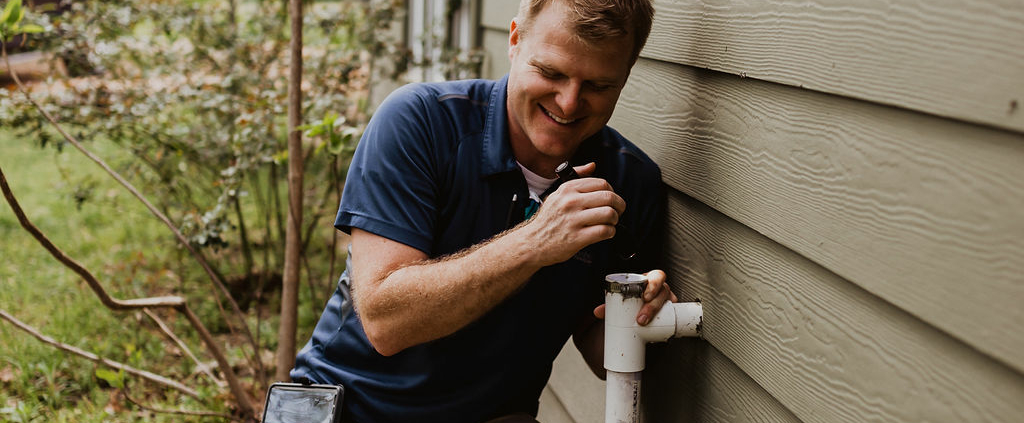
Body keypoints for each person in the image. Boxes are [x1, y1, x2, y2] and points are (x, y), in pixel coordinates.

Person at [290, 0, 677, 421]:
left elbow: (602, 352)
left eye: (599, 86)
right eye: (551, 73)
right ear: (514, 40)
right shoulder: (419, 122)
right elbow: (387, 322)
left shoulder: (630, 181)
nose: (568, 103)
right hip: (346, 408)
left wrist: (640, 318)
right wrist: (536, 240)